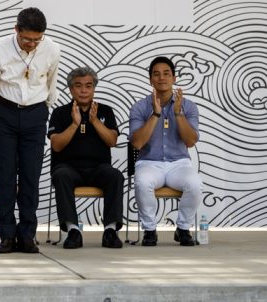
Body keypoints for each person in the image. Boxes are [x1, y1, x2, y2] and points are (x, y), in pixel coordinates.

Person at [0, 7, 61, 254]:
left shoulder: (52, 48)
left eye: (37, 39)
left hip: (35, 114)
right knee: (5, 176)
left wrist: (46, 108)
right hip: (4, 114)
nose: (32, 44)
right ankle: (7, 236)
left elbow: (51, 80)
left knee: (31, 176)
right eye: (26, 39)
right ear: (16, 30)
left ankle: (27, 236)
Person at [129, 56, 202, 246]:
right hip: (149, 162)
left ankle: (183, 228)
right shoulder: (140, 107)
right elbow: (137, 143)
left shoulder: (189, 106)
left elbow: (191, 141)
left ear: (174, 78)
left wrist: (178, 113)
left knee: (194, 183)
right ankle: (150, 230)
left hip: (179, 164)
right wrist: (155, 113)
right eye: (156, 74)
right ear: (150, 80)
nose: (162, 78)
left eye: (166, 74)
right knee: (143, 181)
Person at [48, 67, 123, 249]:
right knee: (61, 175)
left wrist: (95, 121)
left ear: (94, 89)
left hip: (98, 168)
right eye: (78, 86)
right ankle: (73, 230)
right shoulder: (59, 113)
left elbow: (112, 141)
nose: (83, 90)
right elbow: (56, 145)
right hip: (68, 168)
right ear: (71, 89)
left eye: (88, 86)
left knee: (115, 176)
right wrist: (74, 124)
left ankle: (110, 231)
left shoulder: (105, 110)